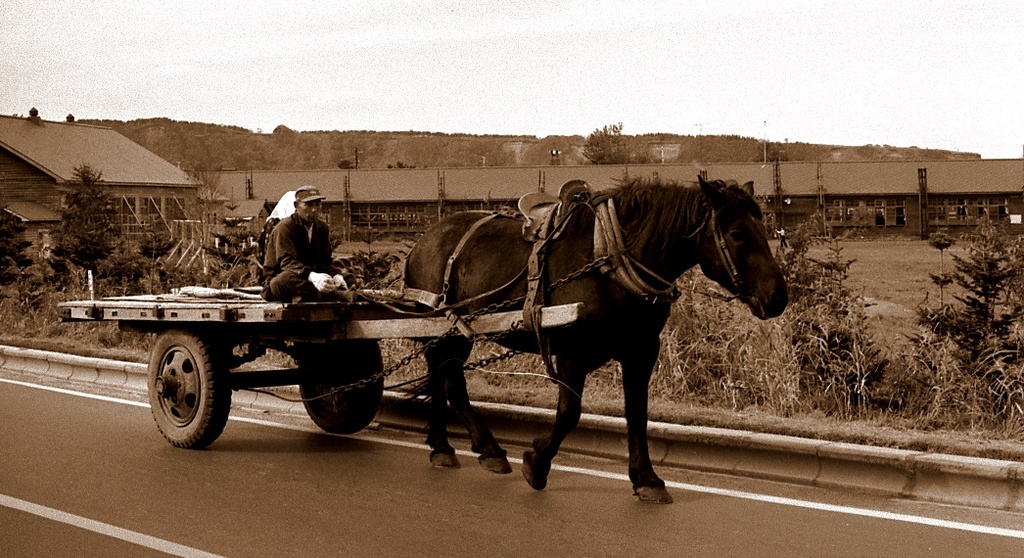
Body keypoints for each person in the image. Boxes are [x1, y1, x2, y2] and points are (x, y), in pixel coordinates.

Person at [261, 185, 349, 302]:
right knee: (286, 278)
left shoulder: (322, 228)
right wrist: (312, 276)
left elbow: (325, 261)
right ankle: (336, 295)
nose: (314, 209)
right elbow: (287, 262)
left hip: (310, 278)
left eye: (317, 204)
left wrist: (336, 275)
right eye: (308, 205)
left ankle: (319, 293)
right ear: (296, 206)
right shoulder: (285, 228)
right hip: (285, 280)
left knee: (347, 276)